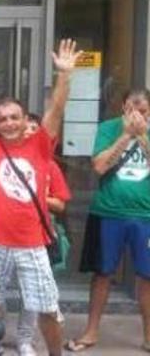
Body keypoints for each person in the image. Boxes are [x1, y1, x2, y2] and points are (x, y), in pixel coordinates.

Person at [0, 36, 81, 356]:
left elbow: (58, 108)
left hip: (31, 243)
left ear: (25, 121)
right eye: (2, 118)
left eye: (14, 117)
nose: (8, 122)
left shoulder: (39, 146)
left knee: (48, 308)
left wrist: (64, 74)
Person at [66, 88, 150, 353]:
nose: (136, 115)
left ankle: (149, 336)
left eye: (143, 110)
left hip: (146, 215)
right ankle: (91, 332)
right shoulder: (108, 128)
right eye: (131, 110)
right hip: (108, 212)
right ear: (123, 107)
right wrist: (126, 135)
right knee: (102, 273)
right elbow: (100, 166)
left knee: (147, 276)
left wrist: (142, 136)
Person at [13, 113, 71, 356]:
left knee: (33, 292)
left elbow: (60, 204)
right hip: (2, 235)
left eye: (34, 129)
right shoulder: (4, 158)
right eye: (24, 128)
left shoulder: (49, 164)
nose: (28, 132)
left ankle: (25, 340)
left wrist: (37, 197)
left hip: (36, 236)